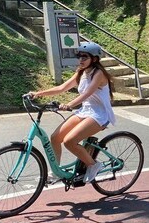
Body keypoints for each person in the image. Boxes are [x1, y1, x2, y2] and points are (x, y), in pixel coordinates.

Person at [27, 42, 115, 182]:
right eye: (79, 56)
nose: (80, 59)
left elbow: (87, 93)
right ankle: (56, 171)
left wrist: (69, 105)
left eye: (84, 57)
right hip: (85, 111)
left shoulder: (98, 74)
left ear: (95, 59)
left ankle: (93, 165)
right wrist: (37, 94)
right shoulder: (81, 72)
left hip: (99, 115)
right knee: (55, 137)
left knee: (69, 141)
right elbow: (62, 88)